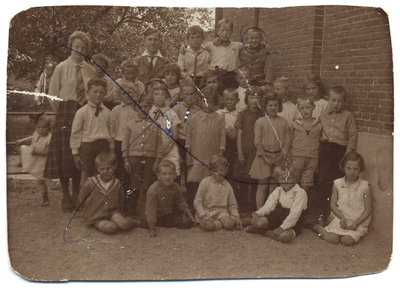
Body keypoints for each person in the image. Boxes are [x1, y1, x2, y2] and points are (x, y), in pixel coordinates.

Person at [44, 31, 96, 212]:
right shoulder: (61, 67)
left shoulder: (91, 69)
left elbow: (94, 93)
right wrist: (63, 113)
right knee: (65, 154)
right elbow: (52, 95)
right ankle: (66, 196)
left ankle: (76, 194)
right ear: (70, 47)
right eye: (76, 48)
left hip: (85, 113)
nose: (79, 51)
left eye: (83, 48)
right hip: (66, 113)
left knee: (80, 153)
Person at [317, 86, 358, 225]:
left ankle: (335, 213)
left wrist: (347, 155)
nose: (336, 104)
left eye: (339, 101)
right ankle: (322, 211)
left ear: (344, 102)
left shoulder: (347, 116)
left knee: (337, 182)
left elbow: (352, 136)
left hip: (339, 151)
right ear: (328, 100)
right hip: (324, 150)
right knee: (323, 181)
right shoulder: (323, 115)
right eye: (333, 100)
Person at [313, 152, 371, 246]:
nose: (352, 172)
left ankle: (351, 231)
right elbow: (332, 204)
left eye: (355, 169)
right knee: (332, 239)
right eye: (348, 168)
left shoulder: (365, 186)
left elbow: (368, 210)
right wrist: (341, 217)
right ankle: (318, 228)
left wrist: (356, 223)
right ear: (343, 167)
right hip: (340, 217)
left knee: (347, 241)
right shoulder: (337, 183)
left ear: (361, 169)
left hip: (357, 220)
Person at [77, 152, 140, 234]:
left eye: (109, 168)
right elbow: (81, 198)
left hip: (112, 212)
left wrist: (118, 212)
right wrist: (83, 211)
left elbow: (121, 199)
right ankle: (97, 224)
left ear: (115, 166)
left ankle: (135, 222)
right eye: (102, 169)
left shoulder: (117, 183)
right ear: (97, 168)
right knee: (112, 228)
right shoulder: (91, 183)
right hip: (95, 215)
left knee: (124, 224)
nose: (106, 171)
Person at [70, 77, 115, 189]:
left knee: (101, 176)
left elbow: (111, 132)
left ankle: (98, 203)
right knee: (85, 175)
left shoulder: (108, 112)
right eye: (95, 91)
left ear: (105, 94)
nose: (98, 95)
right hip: (87, 147)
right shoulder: (82, 112)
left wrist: (112, 148)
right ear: (88, 92)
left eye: (101, 92)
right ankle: (82, 203)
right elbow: (76, 133)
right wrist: (75, 153)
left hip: (103, 146)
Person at [244, 164, 308, 243]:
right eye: (282, 178)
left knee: (285, 237)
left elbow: (295, 214)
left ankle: (262, 231)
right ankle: (255, 224)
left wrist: (282, 227)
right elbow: (268, 206)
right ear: (277, 179)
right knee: (260, 222)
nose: (285, 181)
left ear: (295, 178)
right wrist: (258, 213)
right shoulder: (278, 190)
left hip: (293, 222)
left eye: (289, 178)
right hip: (276, 217)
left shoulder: (300, 193)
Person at [249, 92, 291, 210]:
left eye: (276, 105)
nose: (273, 108)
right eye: (270, 105)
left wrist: (281, 156)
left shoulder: (284, 122)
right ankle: (259, 211)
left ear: (280, 107)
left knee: (273, 186)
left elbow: (287, 142)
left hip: (278, 158)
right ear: (265, 107)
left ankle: (270, 212)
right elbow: (257, 141)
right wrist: (265, 157)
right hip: (264, 158)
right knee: (262, 186)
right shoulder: (260, 122)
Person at [185, 86, 226, 208]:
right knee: (196, 182)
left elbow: (222, 139)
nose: (207, 104)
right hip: (197, 155)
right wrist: (188, 153)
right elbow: (189, 138)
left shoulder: (219, 119)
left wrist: (220, 155)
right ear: (200, 102)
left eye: (211, 102)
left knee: (209, 182)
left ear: (215, 103)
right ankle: (194, 207)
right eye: (204, 101)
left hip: (211, 155)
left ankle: (208, 207)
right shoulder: (194, 118)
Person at [122, 97, 163, 216]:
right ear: (135, 108)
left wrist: (157, 161)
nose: (143, 109)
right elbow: (125, 143)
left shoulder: (155, 124)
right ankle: (132, 210)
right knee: (134, 184)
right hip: (134, 158)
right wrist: (126, 160)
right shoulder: (130, 124)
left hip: (150, 159)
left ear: (150, 108)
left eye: (146, 106)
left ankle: (148, 211)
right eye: (140, 107)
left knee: (148, 185)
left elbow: (160, 144)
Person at [142, 160, 195, 238]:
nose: (168, 176)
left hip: (168, 213)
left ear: (175, 175)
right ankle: (140, 223)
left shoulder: (176, 187)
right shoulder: (153, 190)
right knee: (148, 221)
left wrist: (190, 215)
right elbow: (151, 211)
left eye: (170, 173)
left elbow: (181, 203)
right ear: (158, 176)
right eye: (164, 174)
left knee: (190, 219)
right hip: (157, 215)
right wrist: (152, 229)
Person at [234, 86, 265, 213]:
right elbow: (239, 135)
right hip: (244, 151)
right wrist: (240, 153)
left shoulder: (263, 115)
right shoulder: (242, 114)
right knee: (242, 180)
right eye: (251, 97)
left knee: (254, 180)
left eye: (257, 98)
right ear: (247, 98)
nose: (254, 101)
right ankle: (241, 207)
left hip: (257, 152)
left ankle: (253, 207)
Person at [194, 154, 241, 231]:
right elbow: (197, 202)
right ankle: (217, 224)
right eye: (215, 171)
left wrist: (236, 216)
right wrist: (203, 216)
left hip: (221, 212)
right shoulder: (205, 182)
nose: (218, 173)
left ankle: (224, 222)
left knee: (229, 223)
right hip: (207, 212)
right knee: (207, 226)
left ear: (226, 170)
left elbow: (232, 204)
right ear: (210, 170)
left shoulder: (227, 186)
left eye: (221, 170)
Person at [110, 80, 138, 209]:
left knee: (129, 173)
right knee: (118, 172)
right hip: (119, 143)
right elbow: (112, 129)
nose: (127, 95)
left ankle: (129, 202)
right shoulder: (116, 110)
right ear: (120, 95)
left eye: (130, 93)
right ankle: (116, 200)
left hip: (133, 145)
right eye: (124, 93)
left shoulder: (137, 110)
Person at [172, 79, 202, 194]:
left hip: (193, 143)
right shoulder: (176, 109)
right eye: (186, 94)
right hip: (180, 141)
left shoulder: (198, 110)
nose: (190, 97)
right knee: (179, 168)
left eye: (192, 94)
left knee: (190, 168)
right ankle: (176, 193)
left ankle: (190, 196)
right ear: (180, 95)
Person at [16, 114, 52, 206]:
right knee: (22, 147)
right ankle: (22, 161)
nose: (41, 130)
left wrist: (38, 153)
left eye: (43, 127)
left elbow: (49, 152)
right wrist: (23, 140)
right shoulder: (36, 133)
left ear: (48, 127)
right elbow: (33, 138)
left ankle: (45, 198)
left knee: (40, 180)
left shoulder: (49, 138)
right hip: (35, 157)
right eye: (38, 127)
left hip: (42, 161)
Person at [289, 96, 323, 194]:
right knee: (293, 182)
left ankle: (302, 206)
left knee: (305, 184)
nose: (305, 111)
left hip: (312, 158)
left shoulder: (319, 124)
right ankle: (291, 206)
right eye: (302, 108)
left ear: (314, 107)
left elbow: (320, 142)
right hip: (297, 157)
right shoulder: (295, 124)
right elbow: (289, 141)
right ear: (298, 108)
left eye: (308, 107)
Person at [148, 81, 181, 177]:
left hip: (169, 148)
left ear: (166, 97)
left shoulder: (171, 113)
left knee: (171, 172)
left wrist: (168, 148)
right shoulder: (149, 112)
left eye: (162, 94)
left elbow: (175, 134)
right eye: (156, 94)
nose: (159, 97)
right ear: (152, 96)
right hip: (153, 149)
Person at [202, 19, 242, 88]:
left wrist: (263, 44)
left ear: (232, 31)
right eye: (222, 30)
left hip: (231, 76)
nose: (225, 33)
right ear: (218, 31)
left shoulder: (237, 45)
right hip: (215, 76)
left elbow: (251, 46)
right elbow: (197, 46)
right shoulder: (212, 45)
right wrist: (184, 46)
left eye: (228, 30)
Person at [216, 88, 240, 204]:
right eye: (226, 99)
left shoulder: (240, 114)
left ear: (237, 100)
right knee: (220, 169)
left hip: (234, 146)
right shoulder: (219, 113)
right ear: (223, 100)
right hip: (221, 145)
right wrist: (224, 131)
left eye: (232, 99)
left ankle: (232, 201)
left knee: (233, 172)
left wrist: (236, 132)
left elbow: (241, 129)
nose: (229, 102)